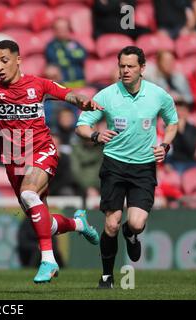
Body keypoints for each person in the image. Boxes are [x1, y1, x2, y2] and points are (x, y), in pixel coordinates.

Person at [0, 40, 101, 284]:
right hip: (13, 162)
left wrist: (83, 102)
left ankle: (48, 260)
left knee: (28, 194)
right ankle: (79, 224)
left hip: (42, 150)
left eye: (5, 60)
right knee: (41, 219)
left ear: (18, 60)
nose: (0, 66)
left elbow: (68, 94)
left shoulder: (38, 84)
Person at [75, 46, 178, 289]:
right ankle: (107, 277)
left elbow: (172, 121)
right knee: (111, 223)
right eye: (122, 66)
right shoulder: (107, 95)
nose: (125, 71)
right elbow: (82, 124)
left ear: (142, 68)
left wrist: (165, 144)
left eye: (131, 66)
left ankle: (131, 234)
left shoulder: (158, 94)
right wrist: (95, 136)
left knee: (136, 223)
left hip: (144, 167)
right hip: (114, 165)